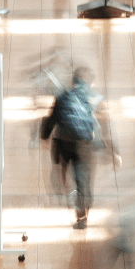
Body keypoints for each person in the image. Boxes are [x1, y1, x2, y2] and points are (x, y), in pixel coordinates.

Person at [41, 66, 109, 229]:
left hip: (63, 142)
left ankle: (67, 193)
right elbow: (103, 124)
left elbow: (51, 119)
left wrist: (44, 136)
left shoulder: (63, 96)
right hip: (84, 143)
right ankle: (82, 214)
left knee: (64, 170)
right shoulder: (93, 97)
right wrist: (106, 146)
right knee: (82, 176)